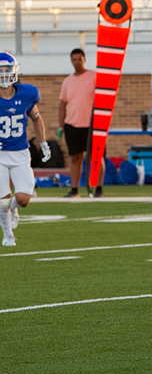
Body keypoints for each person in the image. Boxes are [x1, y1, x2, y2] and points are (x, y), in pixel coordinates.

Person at [0, 52, 50, 247]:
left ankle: (12, 209)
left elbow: (36, 118)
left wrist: (43, 142)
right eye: (0, 70)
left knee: (22, 199)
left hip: (20, 153)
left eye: (7, 70)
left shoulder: (27, 94)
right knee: (3, 201)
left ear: (14, 71)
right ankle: (8, 236)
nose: (4, 74)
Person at [58, 48, 105, 198]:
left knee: (96, 157)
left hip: (92, 125)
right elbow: (62, 104)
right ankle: (74, 189)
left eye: (79, 59)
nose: (77, 62)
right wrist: (61, 125)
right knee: (75, 157)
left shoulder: (93, 76)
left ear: (84, 59)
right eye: (74, 60)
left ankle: (98, 188)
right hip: (72, 124)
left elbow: (103, 99)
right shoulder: (68, 81)